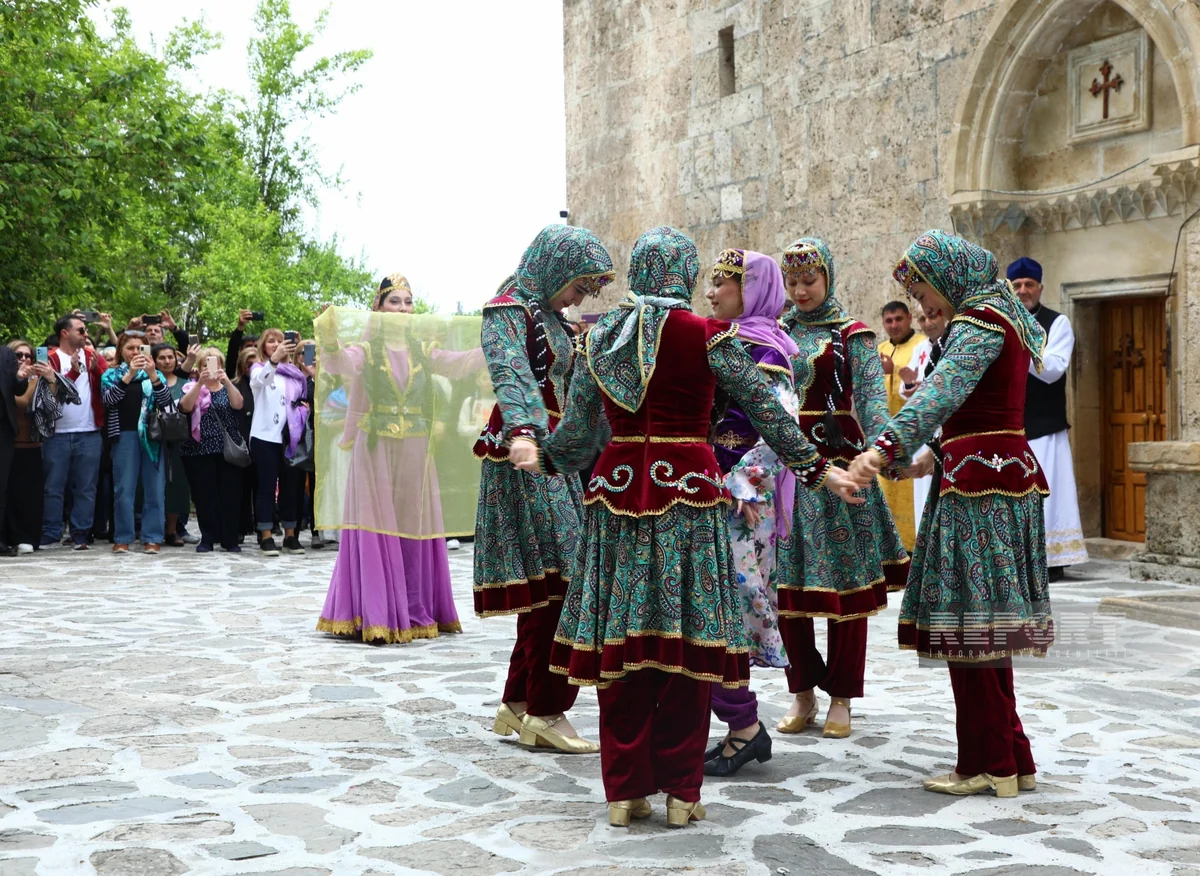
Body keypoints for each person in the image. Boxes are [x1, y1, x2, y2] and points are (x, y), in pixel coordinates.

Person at [514, 226, 864, 829]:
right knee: (688, 646)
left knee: (623, 645)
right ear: (682, 272)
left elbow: (574, 440)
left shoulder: (599, 340)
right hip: (691, 499)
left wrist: (539, 456)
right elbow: (768, 412)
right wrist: (820, 471)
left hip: (617, 497)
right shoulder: (709, 336)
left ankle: (625, 792)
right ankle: (682, 793)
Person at [850, 230, 1053, 798]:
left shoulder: (978, 322)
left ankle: (987, 762)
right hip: (996, 476)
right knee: (988, 626)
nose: (922, 307)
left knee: (971, 626)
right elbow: (979, 412)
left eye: (924, 292)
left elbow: (941, 394)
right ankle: (1012, 756)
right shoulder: (1003, 316)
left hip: (979, 493)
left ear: (949, 277)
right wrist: (924, 461)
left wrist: (880, 451)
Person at [473, 224, 614, 755]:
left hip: (553, 453)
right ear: (555, 269)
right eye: (576, 286)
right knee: (561, 582)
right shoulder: (507, 310)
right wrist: (525, 432)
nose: (578, 299)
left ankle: (519, 700)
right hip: (526, 454)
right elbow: (512, 375)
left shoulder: (551, 318)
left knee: (549, 583)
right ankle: (546, 710)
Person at [771, 237, 908, 740]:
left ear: (828, 278)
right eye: (792, 282)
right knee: (785, 589)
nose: (800, 291)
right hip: (785, 468)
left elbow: (871, 402)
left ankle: (842, 696)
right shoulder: (776, 331)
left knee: (846, 588)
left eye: (809, 280)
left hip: (841, 468)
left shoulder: (855, 336)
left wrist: (884, 455)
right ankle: (802, 691)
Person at [317, 274, 478, 643]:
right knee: (376, 526)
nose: (403, 308)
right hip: (375, 448)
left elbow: (459, 363)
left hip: (415, 449)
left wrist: (497, 343)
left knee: (414, 525)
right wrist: (329, 337)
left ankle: (414, 609)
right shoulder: (366, 350)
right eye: (395, 301)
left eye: (408, 302)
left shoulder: (423, 350)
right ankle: (378, 614)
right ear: (379, 306)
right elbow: (340, 363)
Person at [701, 249, 799, 778]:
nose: (711, 293)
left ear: (752, 289)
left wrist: (740, 483)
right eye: (711, 283)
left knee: (732, 606)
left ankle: (743, 726)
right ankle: (738, 723)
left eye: (723, 283)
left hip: (742, 504)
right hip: (708, 492)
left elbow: (781, 428)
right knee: (716, 606)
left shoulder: (767, 351)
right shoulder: (725, 342)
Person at [1008, 256, 1086, 581]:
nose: (1023, 290)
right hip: (1010, 427)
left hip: (1045, 426)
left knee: (1049, 496)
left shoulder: (1057, 323)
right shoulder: (1002, 323)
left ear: (1040, 288)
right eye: (1017, 285)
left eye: (1029, 284)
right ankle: (1019, 559)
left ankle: (1052, 559)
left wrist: (1021, 347)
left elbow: (1052, 369)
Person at [101, 331, 174, 554]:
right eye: (130, 348)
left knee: (155, 488)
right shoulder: (111, 375)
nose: (135, 352)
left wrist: (152, 375)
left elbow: (168, 405)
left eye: (139, 348)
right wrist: (129, 374)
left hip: (152, 437)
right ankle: (123, 536)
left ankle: (152, 537)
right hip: (124, 436)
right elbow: (109, 400)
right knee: (124, 488)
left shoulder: (156, 375)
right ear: (121, 351)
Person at [41, 314, 107, 550]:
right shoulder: (48, 358)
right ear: (64, 333)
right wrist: (74, 373)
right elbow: (47, 396)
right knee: (53, 487)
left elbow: (111, 384)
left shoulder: (92, 356)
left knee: (86, 487)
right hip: (55, 434)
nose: (86, 334)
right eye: (81, 330)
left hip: (89, 431)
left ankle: (81, 534)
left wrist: (96, 370)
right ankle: (51, 532)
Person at [178, 349, 245, 552]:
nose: (210, 369)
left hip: (227, 450)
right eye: (205, 365)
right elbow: (185, 407)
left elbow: (238, 404)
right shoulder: (191, 387)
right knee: (204, 496)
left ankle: (229, 539)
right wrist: (200, 383)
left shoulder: (228, 387)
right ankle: (208, 537)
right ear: (199, 368)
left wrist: (227, 382)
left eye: (215, 364)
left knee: (230, 495)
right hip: (198, 450)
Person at [249, 328, 307, 556]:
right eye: (271, 341)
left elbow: (301, 397)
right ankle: (266, 535)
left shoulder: (295, 373)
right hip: (265, 436)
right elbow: (261, 381)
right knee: (266, 486)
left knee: (290, 486)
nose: (276, 344)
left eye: (281, 341)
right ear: (263, 346)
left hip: (290, 437)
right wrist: (274, 360)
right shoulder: (259, 368)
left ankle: (291, 536)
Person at [876, 299, 926, 551]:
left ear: (909, 319)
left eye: (899, 319)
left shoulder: (922, 345)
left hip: (914, 437)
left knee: (913, 498)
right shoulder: (880, 349)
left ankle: (913, 549)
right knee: (886, 497)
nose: (894, 325)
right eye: (889, 321)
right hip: (884, 435)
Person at [899, 302, 949, 525]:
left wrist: (926, 388)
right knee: (924, 492)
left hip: (947, 428)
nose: (927, 323)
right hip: (925, 430)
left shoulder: (954, 344)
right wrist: (911, 385)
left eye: (932, 316)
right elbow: (904, 389)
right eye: (922, 319)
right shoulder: (920, 348)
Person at [153, 344, 191, 547]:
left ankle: (172, 529)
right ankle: (150, 528)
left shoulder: (186, 383)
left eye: (170, 357)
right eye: (162, 358)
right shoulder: (147, 381)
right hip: (152, 437)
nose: (167, 361)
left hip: (178, 438)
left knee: (177, 484)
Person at [0, 341, 31, 556]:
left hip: (2, 430)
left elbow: (18, 388)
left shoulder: (6, 355)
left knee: (1, 487)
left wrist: (21, 377)